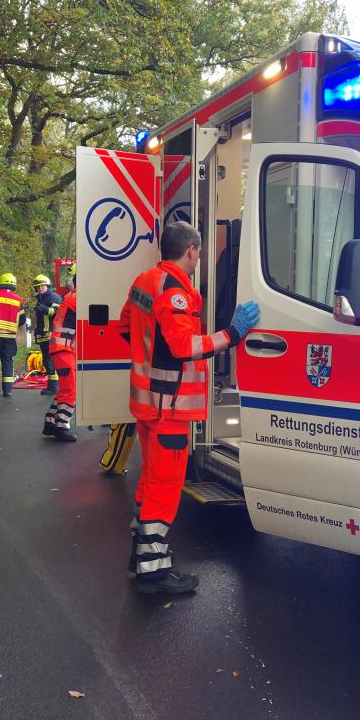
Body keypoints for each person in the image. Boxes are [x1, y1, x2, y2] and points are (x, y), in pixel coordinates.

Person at [121, 223, 258, 596]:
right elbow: (183, 347)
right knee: (164, 487)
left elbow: (124, 327)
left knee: (151, 480)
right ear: (191, 251)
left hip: (148, 404)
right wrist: (232, 334)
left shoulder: (144, 282)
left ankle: (142, 555)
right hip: (171, 408)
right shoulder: (174, 290)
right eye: (199, 253)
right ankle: (153, 572)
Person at [42, 266, 78, 442]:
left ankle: (50, 422)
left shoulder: (72, 297)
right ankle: (62, 426)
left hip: (64, 349)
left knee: (65, 388)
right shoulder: (76, 297)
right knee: (71, 389)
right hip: (64, 350)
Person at [0, 272, 24, 396]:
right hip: (10, 337)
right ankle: (7, 390)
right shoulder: (18, 300)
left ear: (0, 284)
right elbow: (22, 320)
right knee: (7, 361)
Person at [32, 273, 62, 395]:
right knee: (47, 359)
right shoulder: (41, 298)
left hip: (50, 333)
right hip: (43, 334)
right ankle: (52, 385)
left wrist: (43, 309)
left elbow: (57, 313)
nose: (40, 289)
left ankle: (54, 387)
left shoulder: (53, 297)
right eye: (38, 287)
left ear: (47, 286)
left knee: (50, 359)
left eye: (42, 286)